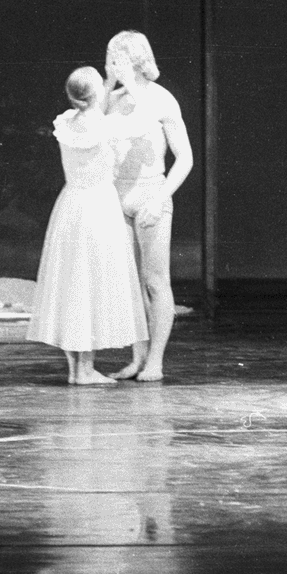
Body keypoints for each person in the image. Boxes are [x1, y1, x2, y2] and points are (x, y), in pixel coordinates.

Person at [27, 66, 150, 384]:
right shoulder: (108, 127)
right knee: (91, 284)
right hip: (98, 208)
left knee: (72, 283)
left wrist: (107, 82)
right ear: (96, 94)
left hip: (71, 206)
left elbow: (93, 104)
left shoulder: (67, 121)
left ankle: (76, 369)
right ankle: (84, 371)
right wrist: (131, 87)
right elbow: (141, 122)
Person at [103, 30, 193, 382]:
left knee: (155, 281)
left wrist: (160, 198)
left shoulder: (162, 99)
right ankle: (137, 357)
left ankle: (155, 360)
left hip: (150, 192)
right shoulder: (113, 100)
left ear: (137, 59)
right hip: (115, 196)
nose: (112, 63)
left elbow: (185, 158)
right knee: (129, 285)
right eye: (110, 58)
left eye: (117, 58)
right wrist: (111, 85)